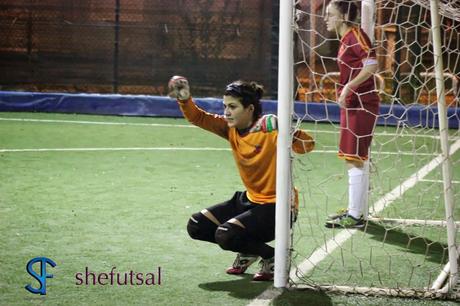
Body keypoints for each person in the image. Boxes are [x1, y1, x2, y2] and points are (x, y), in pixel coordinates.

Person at [168, 76, 315, 281]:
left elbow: (309, 145)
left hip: (278, 207)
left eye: (233, 106)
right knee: (196, 225)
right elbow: (199, 118)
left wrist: (288, 131)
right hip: (250, 200)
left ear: (250, 109)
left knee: (225, 234)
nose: (226, 112)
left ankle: (273, 257)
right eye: (225, 106)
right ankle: (248, 249)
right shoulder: (231, 129)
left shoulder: (269, 129)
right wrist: (184, 99)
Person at [323, 0, 380, 228]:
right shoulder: (346, 38)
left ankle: (355, 216)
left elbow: (372, 65)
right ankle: (356, 210)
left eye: (330, 14)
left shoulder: (357, 36)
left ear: (343, 16)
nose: (326, 19)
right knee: (355, 157)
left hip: (362, 104)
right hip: (353, 104)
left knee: (352, 157)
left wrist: (349, 87)